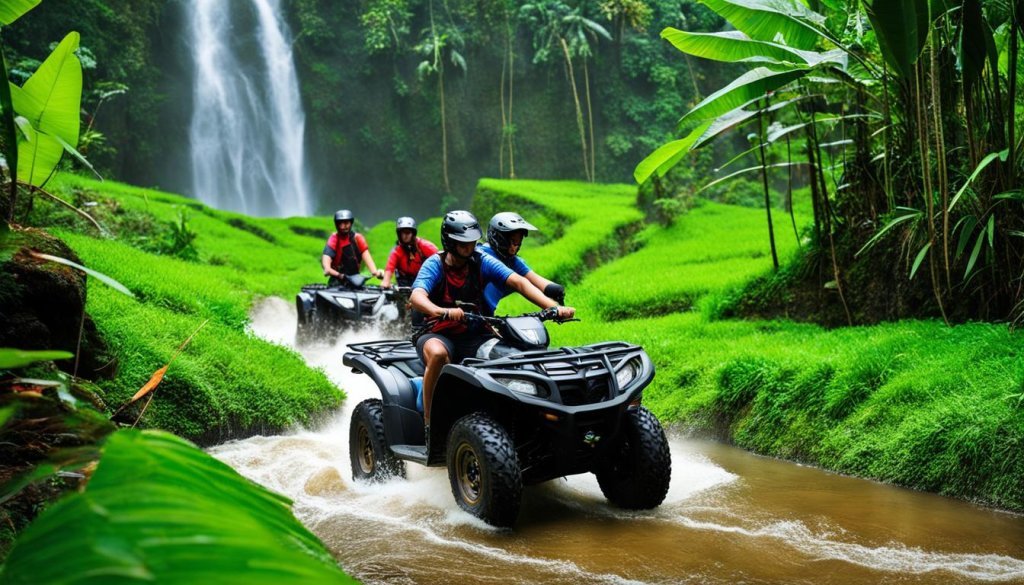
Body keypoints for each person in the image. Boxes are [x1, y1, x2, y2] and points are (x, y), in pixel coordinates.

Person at [410, 210, 574, 435]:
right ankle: (430, 422)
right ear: (450, 242)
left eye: (472, 242)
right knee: (439, 355)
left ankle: (514, 420)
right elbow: (416, 296)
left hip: (475, 334)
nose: (469, 248)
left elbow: (519, 282)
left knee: (513, 355)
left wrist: (552, 308)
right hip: (437, 333)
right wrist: (441, 311)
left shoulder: (481, 260)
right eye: (463, 244)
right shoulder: (435, 264)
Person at [478, 211, 566, 313]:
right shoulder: (482, 256)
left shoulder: (512, 261)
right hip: (466, 314)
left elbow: (536, 280)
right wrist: (554, 307)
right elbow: (520, 283)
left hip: (485, 317)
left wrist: (557, 291)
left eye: (517, 242)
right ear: (497, 237)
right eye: (510, 242)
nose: (513, 248)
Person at [321, 209, 383, 286]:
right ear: (337, 225)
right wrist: (341, 276)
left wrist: (378, 273)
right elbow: (327, 268)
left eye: (347, 223)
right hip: (337, 281)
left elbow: (372, 268)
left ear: (351, 223)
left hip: (356, 280)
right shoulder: (334, 239)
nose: (344, 226)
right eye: (341, 223)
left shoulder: (358, 239)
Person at [380, 216, 439, 289]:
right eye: (403, 233)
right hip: (404, 285)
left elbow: (439, 260)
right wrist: (386, 280)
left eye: (408, 233)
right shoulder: (397, 251)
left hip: (425, 282)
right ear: (399, 234)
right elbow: (390, 267)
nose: (405, 236)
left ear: (413, 234)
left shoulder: (425, 246)